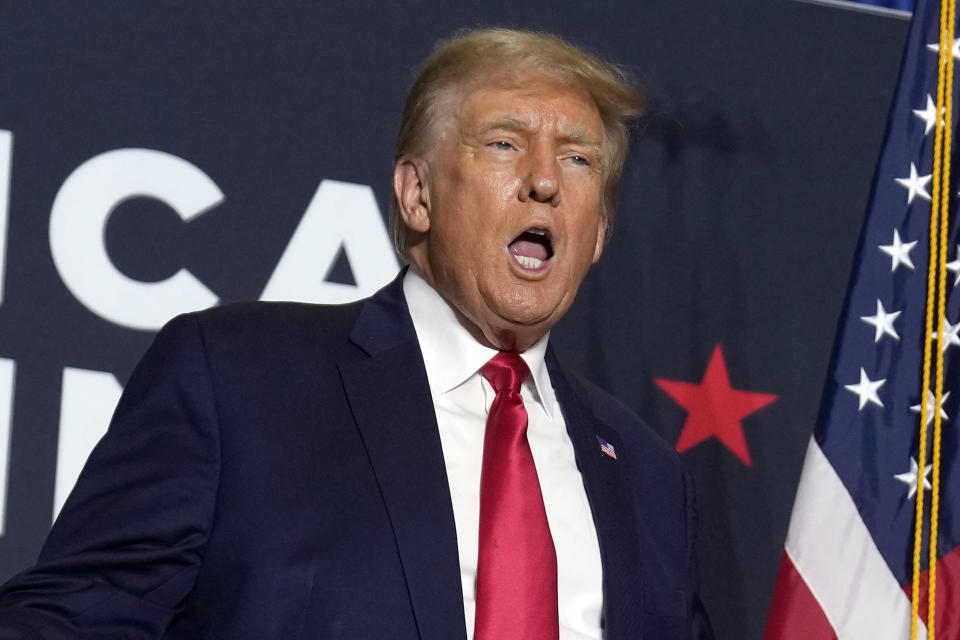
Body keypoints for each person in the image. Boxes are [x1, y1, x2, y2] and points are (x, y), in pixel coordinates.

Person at [0, 28, 713, 639]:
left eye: (578, 158)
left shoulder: (648, 478)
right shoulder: (237, 381)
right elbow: (68, 619)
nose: (545, 182)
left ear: (599, 232)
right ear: (417, 194)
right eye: (504, 143)